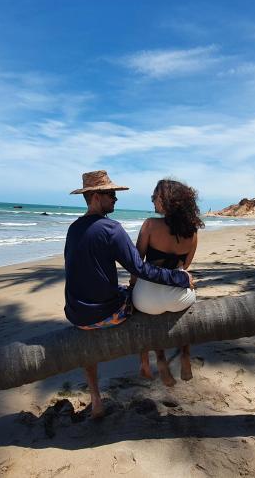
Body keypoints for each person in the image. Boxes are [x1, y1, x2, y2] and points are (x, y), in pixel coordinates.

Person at [64, 170, 193, 418]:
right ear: (95, 197)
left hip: (77, 315)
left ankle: (95, 398)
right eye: (111, 194)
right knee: (139, 300)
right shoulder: (112, 229)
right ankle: (148, 362)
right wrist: (180, 278)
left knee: (86, 343)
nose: (116, 199)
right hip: (108, 314)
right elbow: (140, 268)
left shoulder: (73, 229)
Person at [130, 179, 204, 386]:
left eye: (155, 197)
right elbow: (186, 266)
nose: (153, 200)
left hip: (147, 298)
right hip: (179, 296)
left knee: (148, 316)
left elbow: (138, 263)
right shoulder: (193, 231)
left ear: (167, 200)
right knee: (183, 312)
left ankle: (160, 361)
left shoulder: (150, 225)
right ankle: (185, 356)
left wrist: (131, 287)